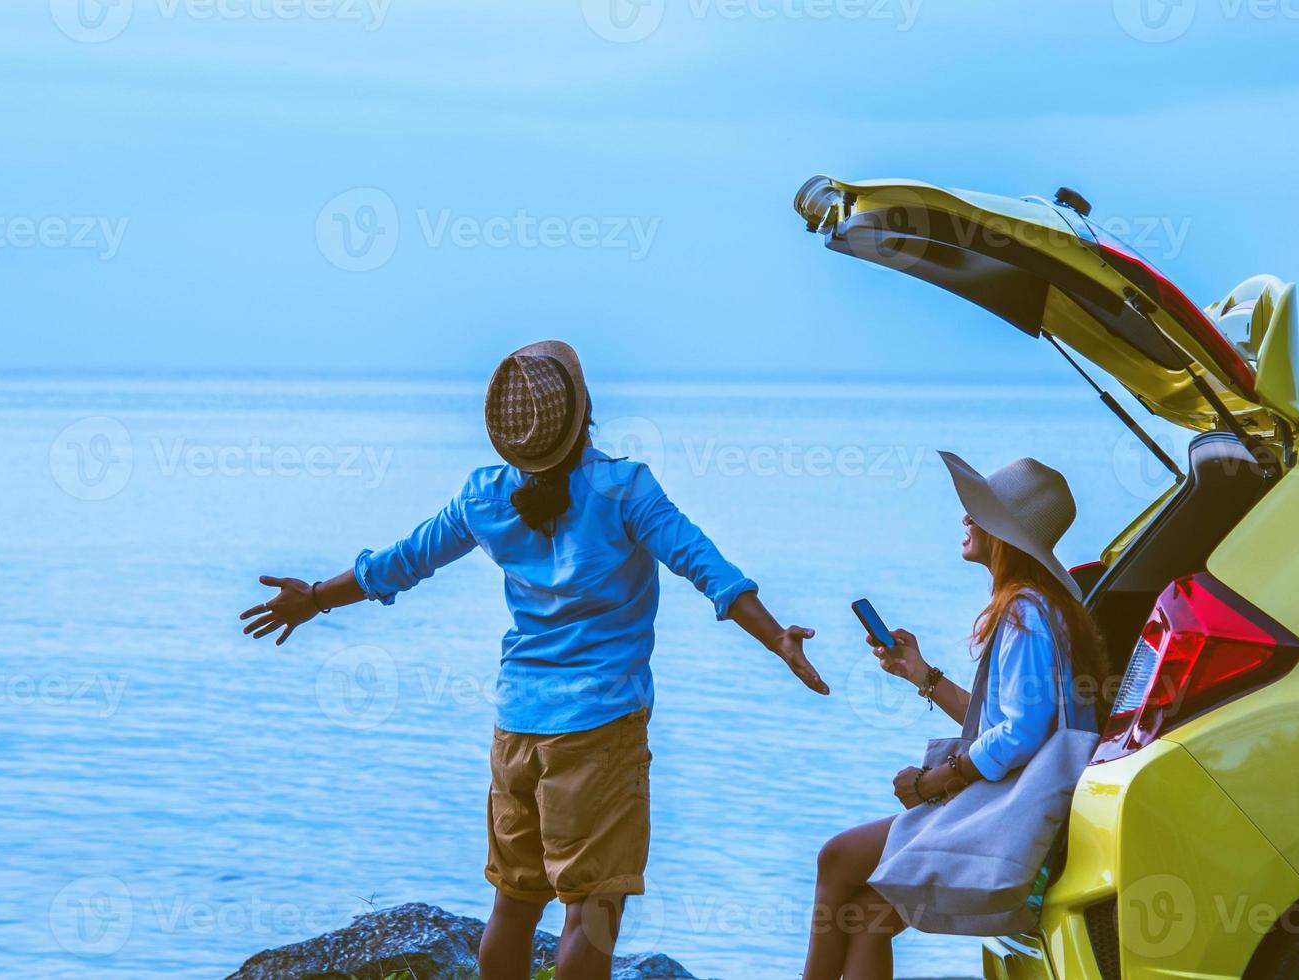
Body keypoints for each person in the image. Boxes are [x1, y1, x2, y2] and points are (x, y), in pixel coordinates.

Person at [241, 340, 830, 980]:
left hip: (516, 728)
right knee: (590, 910)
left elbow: (402, 561)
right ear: (586, 412)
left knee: (514, 906)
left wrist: (317, 600)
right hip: (598, 730)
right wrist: (775, 638)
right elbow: (705, 565)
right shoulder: (623, 489)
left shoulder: (484, 496)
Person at [801, 453, 1107, 980]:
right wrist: (919, 673)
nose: (966, 518)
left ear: (1007, 533)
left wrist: (936, 781)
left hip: (1010, 814)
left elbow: (1023, 731)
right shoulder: (1047, 606)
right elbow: (1007, 722)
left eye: (980, 511)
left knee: (836, 859)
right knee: (867, 915)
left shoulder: (1023, 611)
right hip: (1028, 806)